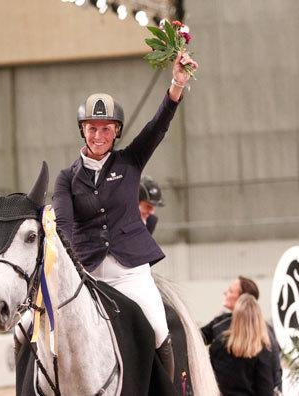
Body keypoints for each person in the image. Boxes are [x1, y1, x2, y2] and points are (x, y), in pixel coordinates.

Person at [52, 51, 197, 380]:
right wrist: (73, 267)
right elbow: (62, 226)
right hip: (90, 275)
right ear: (82, 130)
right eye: (92, 128)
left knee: (159, 331)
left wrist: (177, 84)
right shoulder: (66, 179)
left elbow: (157, 127)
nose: (99, 135)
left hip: (131, 272)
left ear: (116, 131)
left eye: (106, 129)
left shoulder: (130, 162)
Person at [201, 276, 282, 393]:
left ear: (242, 298)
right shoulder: (263, 344)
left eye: (231, 291)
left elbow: (275, 375)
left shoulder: (218, 342)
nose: (225, 293)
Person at [208, 294, 276, 395]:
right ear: (258, 320)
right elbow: (266, 391)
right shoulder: (262, 351)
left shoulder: (218, 345)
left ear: (235, 317)